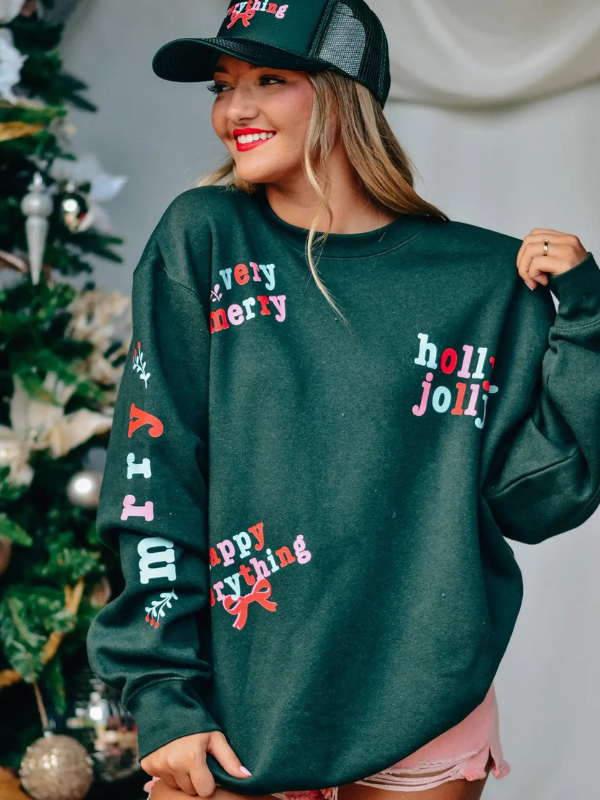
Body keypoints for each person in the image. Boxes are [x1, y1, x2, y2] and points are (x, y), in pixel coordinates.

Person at [86, 1, 600, 800]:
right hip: (238, 708)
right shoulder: (205, 238)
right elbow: (155, 478)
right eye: (222, 85)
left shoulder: (479, 281)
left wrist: (587, 320)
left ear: (342, 93)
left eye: (269, 79)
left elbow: (538, 499)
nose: (234, 109)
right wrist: (163, 693)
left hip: (423, 702)